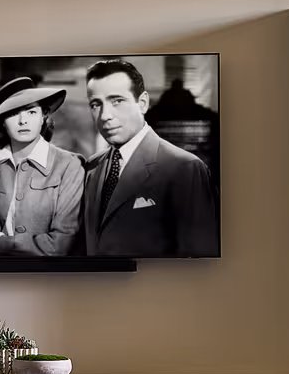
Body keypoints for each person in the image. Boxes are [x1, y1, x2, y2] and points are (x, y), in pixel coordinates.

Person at [80, 60, 218, 257]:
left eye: (117, 101)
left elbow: (200, 260)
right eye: (96, 104)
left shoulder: (185, 168)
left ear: (143, 103)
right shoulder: (93, 166)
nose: (105, 116)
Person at [0, 75, 84, 257]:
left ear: (44, 115)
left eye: (31, 111)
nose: (23, 121)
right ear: (2, 121)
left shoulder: (69, 165)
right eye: (13, 113)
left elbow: (61, 244)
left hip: (47, 277)